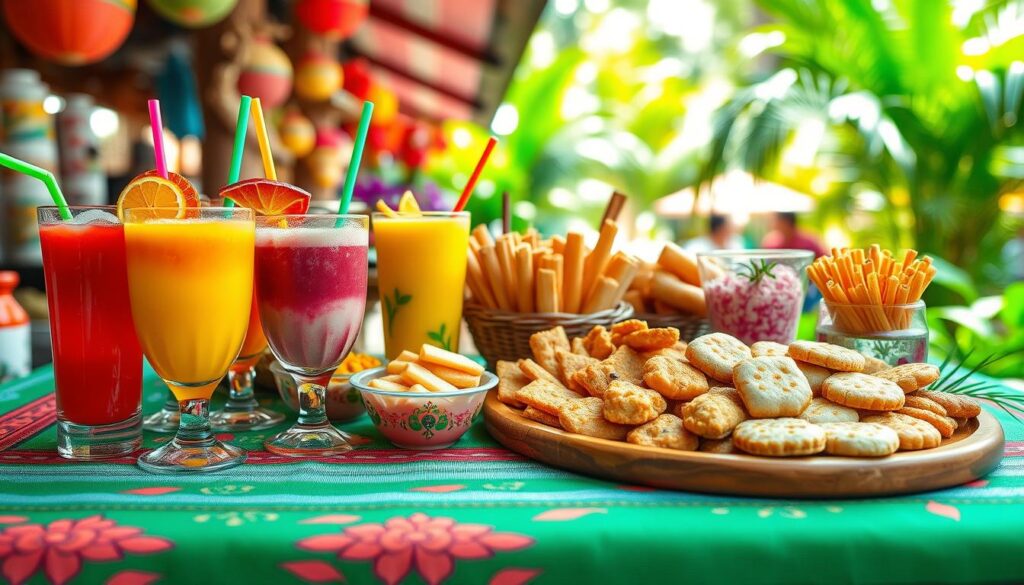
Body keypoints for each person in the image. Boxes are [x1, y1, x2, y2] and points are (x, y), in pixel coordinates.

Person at [761, 211, 827, 258]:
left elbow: (825, 258)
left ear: (786, 222)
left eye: (776, 221)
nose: (773, 224)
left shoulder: (809, 241)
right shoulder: (772, 242)